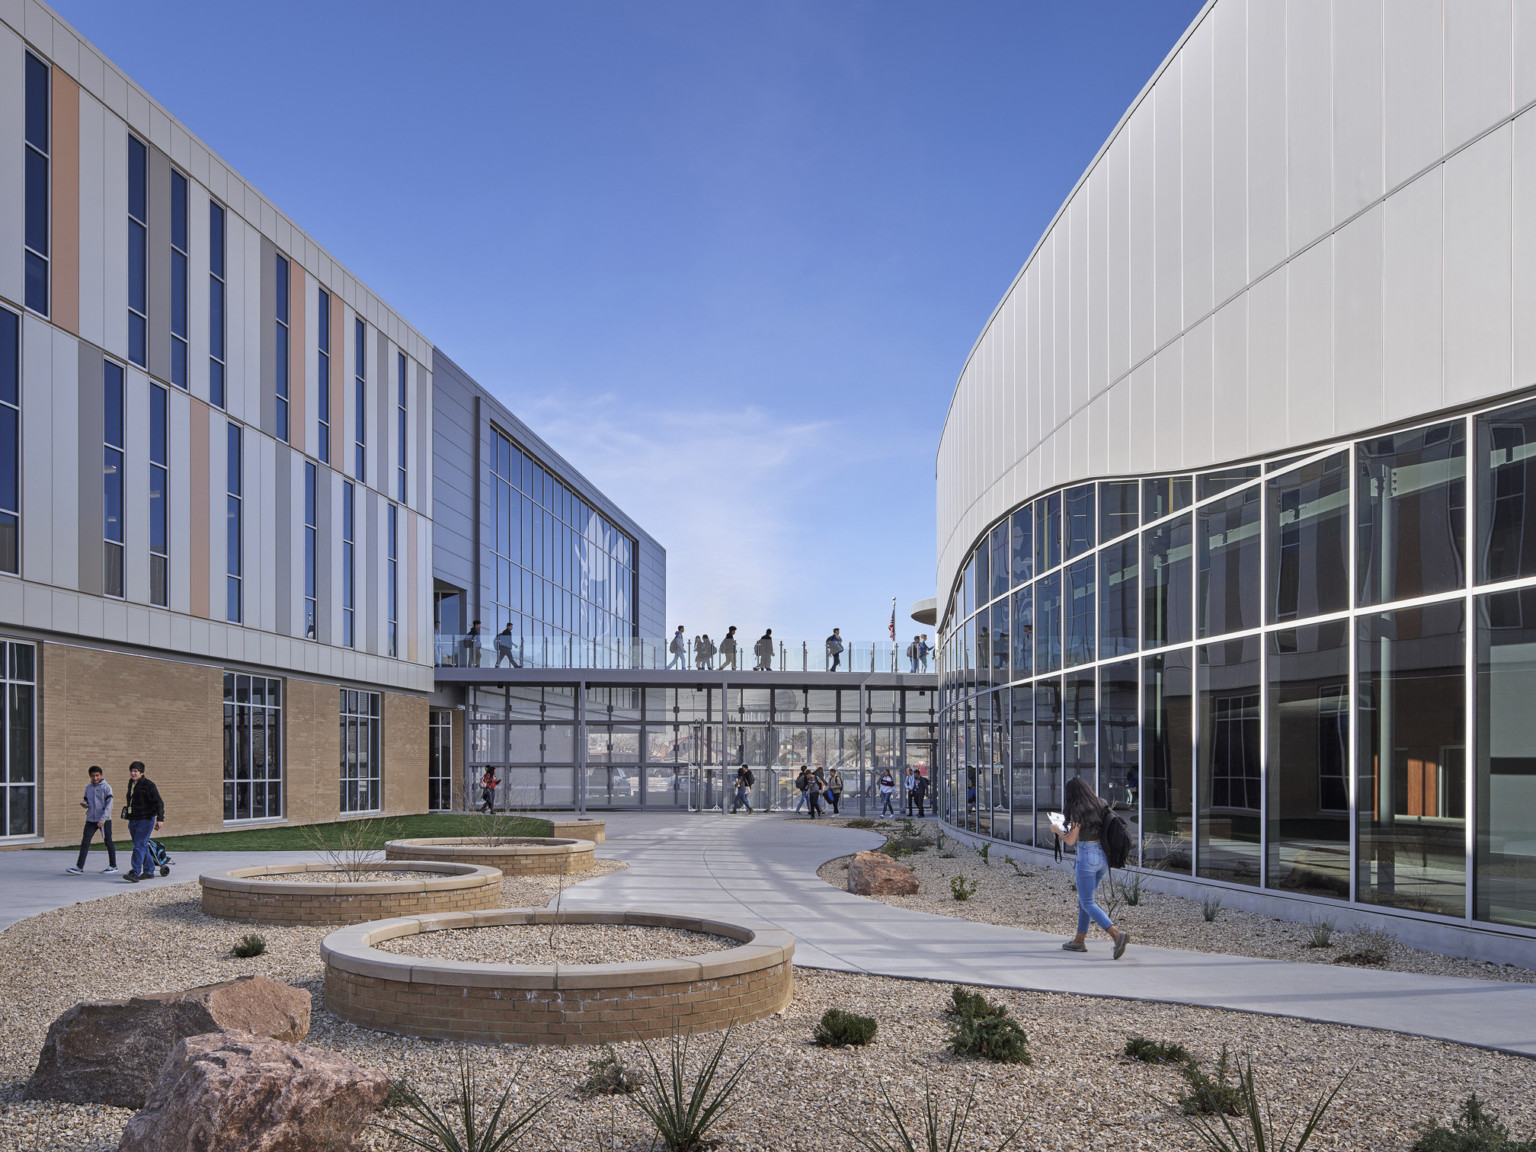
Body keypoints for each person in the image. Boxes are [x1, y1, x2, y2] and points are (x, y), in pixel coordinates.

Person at [1053, 777, 1131, 959]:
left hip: (1087, 856)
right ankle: (1079, 941)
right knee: (1084, 900)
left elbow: (1071, 840)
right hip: (1102, 857)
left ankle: (1116, 935)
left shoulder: (1077, 810)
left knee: (1087, 901)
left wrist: (1057, 830)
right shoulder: (1100, 804)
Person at [67, 765, 117, 874]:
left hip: (104, 820)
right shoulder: (88, 788)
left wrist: (103, 819)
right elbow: (87, 801)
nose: (95, 778)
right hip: (90, 819)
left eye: (97, 775)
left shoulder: (106, 787)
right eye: (93, 776)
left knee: (108, 842)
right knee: (85, 842)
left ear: (101, 775)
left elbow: (110, 805)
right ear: (90, 776)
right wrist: (85, 804)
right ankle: (79, 867)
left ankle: (113, 865)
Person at [121, 761, 164, 883]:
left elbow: (159, 802)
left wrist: (160, 819)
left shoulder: (148, 785)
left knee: (139, 845)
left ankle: (135, 872)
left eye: (136, 771)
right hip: (134, 820)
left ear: (141, 772)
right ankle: (149, 870)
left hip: (146, 819)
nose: (133, 773)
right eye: (132, 771)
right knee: (142, 845)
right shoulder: (131, 783)